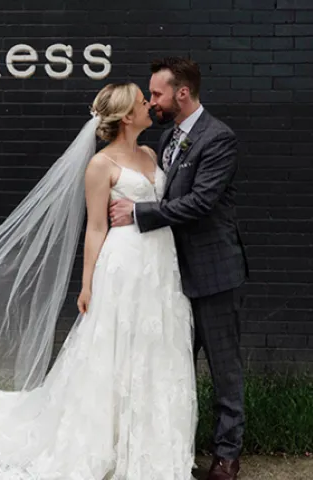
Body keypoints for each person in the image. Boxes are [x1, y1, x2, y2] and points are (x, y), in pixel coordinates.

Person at [0, 81, 198, 479]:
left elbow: (164, 206)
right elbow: (95, 229)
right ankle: (107, 438)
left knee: (155, 347)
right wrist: (87, 284)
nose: (149, 105)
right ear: (126, 117)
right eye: (141, 101)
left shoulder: (151, 153)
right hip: (125, 265)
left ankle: (151, 440)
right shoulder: (101, 165)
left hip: (160, 266)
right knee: (116, 349)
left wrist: (145, 208)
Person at [109, 57, 249, 480]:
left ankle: (227, 454)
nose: (152, 102)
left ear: (181, 94)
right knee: (169, 367)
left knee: (224, 368)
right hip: (168, 277)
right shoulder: (169, 136)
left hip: (212, 272)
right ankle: (168, 446)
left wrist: (138, 213)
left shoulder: (218, 138)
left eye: (157, 94)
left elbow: (202, 202)